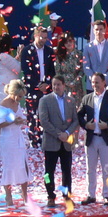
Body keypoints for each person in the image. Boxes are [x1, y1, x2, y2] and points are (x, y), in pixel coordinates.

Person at [78, 71, 108, 205]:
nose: (94, 85)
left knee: (107, 169)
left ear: (104, 83)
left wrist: (107, 125)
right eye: (92, 82)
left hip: (106, 139)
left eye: (97, 82)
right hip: (91, 139)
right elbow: (79, 116)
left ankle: (106, 195)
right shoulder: (86, 99)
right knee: (90, 169)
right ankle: (91, 195)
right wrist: (86, 125)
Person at [38, 75, 78, 207]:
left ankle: (67, 196)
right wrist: (58, 134)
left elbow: (75, 120)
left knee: (67, 171)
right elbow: (44, 121)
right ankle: (50, 195)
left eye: (58, 84)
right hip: (51, 142)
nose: (56, 87)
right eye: (54, 84)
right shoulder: (45, 100)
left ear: (64, 85)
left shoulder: (71, 101)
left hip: (66, 142)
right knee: (49, 171)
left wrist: (66, 133)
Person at [0, 79, 30, 206]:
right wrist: (13, 121)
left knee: (23, 165)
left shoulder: (17, 103)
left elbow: (19, 117)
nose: (20, 99)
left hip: (18, 137)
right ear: (13, 93)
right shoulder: (3, 105)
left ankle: (25, 195)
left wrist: (21, 120)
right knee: (9, 166)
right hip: (7, 139)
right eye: (19, 96)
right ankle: (8, 196)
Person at [21, 24, 55, 146]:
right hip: (32, 89)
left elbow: (52, 70)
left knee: (45, 115)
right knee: (32, 115)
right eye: (41, 37)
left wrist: (47, 84)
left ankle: (44, 139)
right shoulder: (26, 51)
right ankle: (33, 140)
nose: (44, 40)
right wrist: (38, 84)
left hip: (46, 90)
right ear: (35, 36)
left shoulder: (49, 51)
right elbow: (26, 71)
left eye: (45, 38)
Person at [83, 19, 108, 92]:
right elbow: (86, 66)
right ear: (93, 31)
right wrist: (95, 81)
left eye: (101, 29)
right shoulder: (87, 47)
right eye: (96, 29)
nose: (99, 32)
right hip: (92, 86)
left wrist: (104, 81)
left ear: (105, 30)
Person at [54, 32, 85, 103]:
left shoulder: (79, 54)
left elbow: (82, 70)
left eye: (70, 41)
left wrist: (74, 82)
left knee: (77, 109)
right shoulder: (59, 56)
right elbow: (58, 72)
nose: (68, 43)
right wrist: (65, 83)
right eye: (66, 41)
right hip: (63, 87)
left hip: (77, 88)